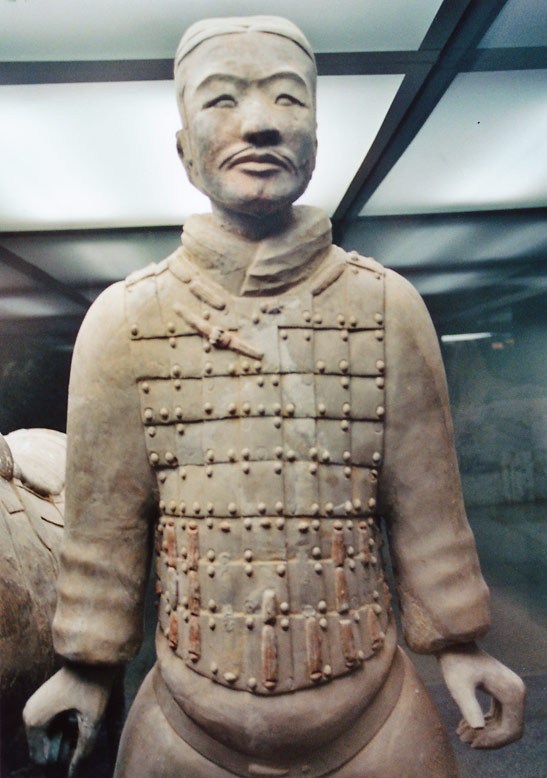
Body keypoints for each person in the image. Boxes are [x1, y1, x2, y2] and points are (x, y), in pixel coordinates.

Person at [24, 16, 525, 778]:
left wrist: (458, 642)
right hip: (186, 726)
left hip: (372, 716)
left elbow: (427, 509)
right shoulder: (124, 321)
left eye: (287, 100)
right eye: (222, 100)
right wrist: (86, 664)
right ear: (183, 146)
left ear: (316, 138)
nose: (258, 123)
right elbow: (103, 529)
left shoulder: (387, 307)